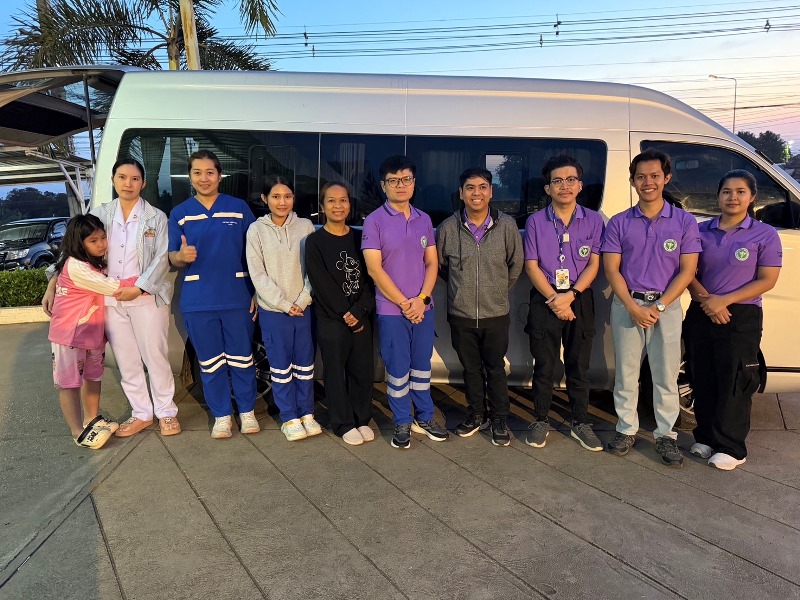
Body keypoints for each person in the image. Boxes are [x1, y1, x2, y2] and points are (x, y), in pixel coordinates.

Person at [601, 150, 701, 467]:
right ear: (632, 181)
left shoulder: (684, 222)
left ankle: (665, 435)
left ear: (666, 178)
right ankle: (625, 429)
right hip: (626, 304)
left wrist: (658, 305)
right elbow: (612, 270)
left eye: (655, 176)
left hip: (666, 308)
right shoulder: (619, 222)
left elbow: (687, 271)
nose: (648, 182)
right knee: (627, 374)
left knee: (665, 375)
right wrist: (633, 307)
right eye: (641, 177)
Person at [685, 170, 781, 470]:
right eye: (726, 191)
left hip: (741, 315)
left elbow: (767, 279)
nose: (733, 197)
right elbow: (687, 272)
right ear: (718, 196)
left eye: (740, 192)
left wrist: (723, 301)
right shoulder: (700, 230)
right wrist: (708, 301)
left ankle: (731, 446)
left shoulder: (765, 234)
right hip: (702, 311)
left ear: (752, 197)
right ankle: (706, 437)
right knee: (701, 375)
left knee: (735, 379)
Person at [168, 150, 260, 439]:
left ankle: (247, 411)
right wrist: (181, 256)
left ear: (220, 176)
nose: (204, 178)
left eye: (210, 172)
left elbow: (256, 252)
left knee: (242, 358)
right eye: (197, 172)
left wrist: (257, 291)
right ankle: (222, 415)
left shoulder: (238, 208)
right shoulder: (180, 213)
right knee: (210, 362)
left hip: (237, 296)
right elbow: (172, 256)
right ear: (190, 177)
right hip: (199, 300)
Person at [362, 155, 449, 449]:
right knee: (398, 369)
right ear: (384, 185)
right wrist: (405, 303)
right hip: (392, 310)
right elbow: (374, 269)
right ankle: (401, 420)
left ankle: (425, 417)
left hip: (423, 308)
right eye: (394, 180)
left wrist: (421, 300)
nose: (401, 185)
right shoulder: (374, 221)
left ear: (414, 183)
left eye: (406, 179)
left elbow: (432, 262)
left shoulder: (424, 219)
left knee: (422, 368)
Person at [523, 155, 605, 451]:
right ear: (548, 189)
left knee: (578, 365)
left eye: (571, 180)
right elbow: (531, 265)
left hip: (578, 297)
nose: (564, 186)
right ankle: (540, 419)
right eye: (557, 181)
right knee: (544, 364)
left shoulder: (594, 220)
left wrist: (571, 296)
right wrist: (554, 299)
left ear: (580, 185)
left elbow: (594, 263)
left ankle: (580, 422)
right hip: (545, 297)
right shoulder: (535, 221)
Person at [436, 167, 523, 446]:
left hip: (495, 313)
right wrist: (461, 291)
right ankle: (476, 414)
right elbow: (441, 266)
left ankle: (499, 418)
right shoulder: (448, 228)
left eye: (483, 187)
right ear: (461, 193)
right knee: (470, 369)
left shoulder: (506, 225)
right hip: (460, 314)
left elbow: (516, 265)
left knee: (495, 368)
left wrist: (495, 291)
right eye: (470, 188)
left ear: (491, 192)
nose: (477, 193)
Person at [48, 214, 138, 448]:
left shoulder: (93, 261)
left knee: (93, 376)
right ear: (79, 243)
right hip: (69, 334)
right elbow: (113, 287)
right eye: (93, 241)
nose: (101, 244)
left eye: (103, 238)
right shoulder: (76, 266)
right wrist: (146, 281)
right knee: (69, 383)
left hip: (92, 332)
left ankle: (92, 419)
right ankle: (78, 432)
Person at [246, 175, 320, 442]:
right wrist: (284, 304)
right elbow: (257, 273)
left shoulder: (305, 226)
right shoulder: (256, 230)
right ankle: (289, 417)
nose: (282, 202)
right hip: (274, 311)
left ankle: (307, 413)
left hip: (303, 308)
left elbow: (314, 268)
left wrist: (302, 300)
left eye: (287, 196)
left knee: (305, 365)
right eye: (276, 196)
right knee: (280, 367)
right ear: (265, 199)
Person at [305, 182, 376, 445]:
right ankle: (342, 423)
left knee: (362, 370)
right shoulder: (315, 242)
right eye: (331, 201)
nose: (338, 206)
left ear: (350, 204)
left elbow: (371, 277)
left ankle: (361, 418)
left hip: (361, 314)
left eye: (343, 200)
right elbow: (321, 284)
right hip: (332, 318)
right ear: (322, 207)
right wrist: (347, 314)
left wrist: (360, 310)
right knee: (335, 371)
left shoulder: (361, 237)